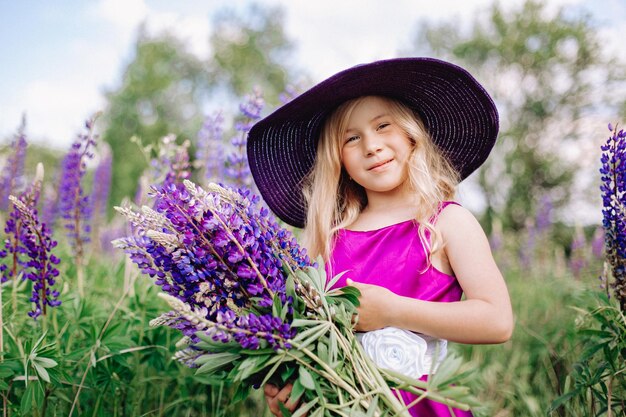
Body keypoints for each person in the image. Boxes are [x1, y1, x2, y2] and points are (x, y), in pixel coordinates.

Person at [247, 57, 514, 417]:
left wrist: (392, 310)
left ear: (411, 134)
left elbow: (497, 320)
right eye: (351, 138)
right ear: (337, 160)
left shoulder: (447, 222)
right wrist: (290, 388)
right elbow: (313, 340)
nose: (371, 146)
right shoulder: (330, 240)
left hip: (423, 406)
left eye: (383, 126)